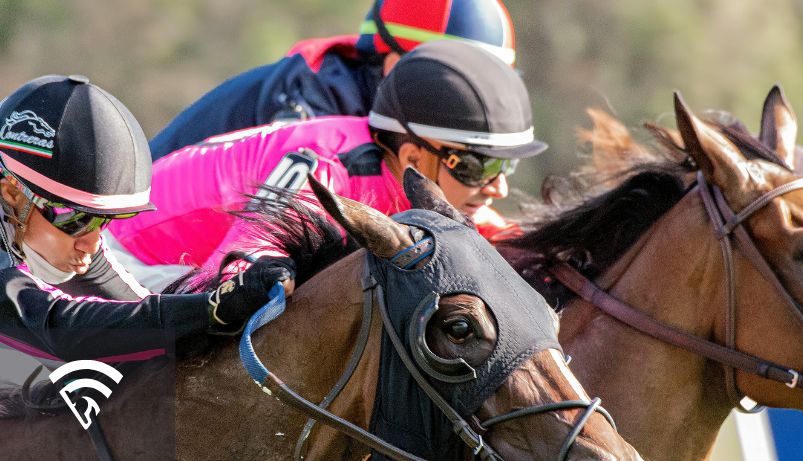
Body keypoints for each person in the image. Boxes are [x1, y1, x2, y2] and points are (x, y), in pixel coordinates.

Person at [108, 40, 546, 291]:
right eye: (478, 169)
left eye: (502, 169)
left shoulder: (413, 172)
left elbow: (494, 232)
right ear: (414, 157)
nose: (498, 189)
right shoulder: (328, 169)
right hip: (132, 255)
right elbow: (231, 275)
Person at [0, 75, 288, 365]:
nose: (90, 244)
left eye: (103, 222)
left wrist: (229, 300)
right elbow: (60, 328)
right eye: (76, 220)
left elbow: (138, 308)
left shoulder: (42, 222)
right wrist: (211, 309)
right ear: (11, 192)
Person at [148, 0, 516, 161]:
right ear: (393, 66)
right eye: (461, 87)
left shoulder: (373, 99)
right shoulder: (313, 108)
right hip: (132, 247)